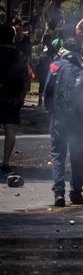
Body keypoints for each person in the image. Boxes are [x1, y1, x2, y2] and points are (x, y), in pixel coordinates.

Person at [43, 41, 83, 207]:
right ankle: (76, 193)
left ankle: (59, 193)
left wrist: (51, 112)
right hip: (78, 120)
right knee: (76, 157)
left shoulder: (55, 67)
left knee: (58, 155)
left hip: (58, 118)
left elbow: (47, 93)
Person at [0, 25, 30, 174]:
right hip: (12, 96)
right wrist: (22, 96)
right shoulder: (18, 54)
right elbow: (26, 77)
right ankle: (5, 162)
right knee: (10, 129)